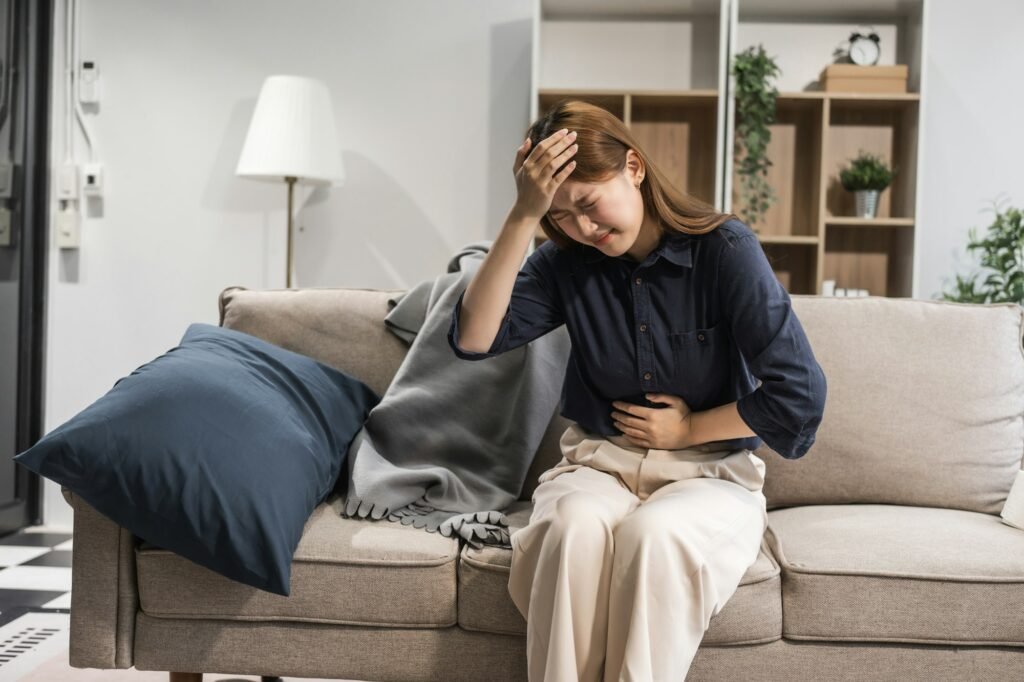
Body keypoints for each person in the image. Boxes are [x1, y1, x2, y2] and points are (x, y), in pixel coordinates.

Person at [447, 100, 827, 682]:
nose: (582, 229)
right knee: (571, 529)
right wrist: (524, 216)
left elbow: (798, 397)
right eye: (560, 216)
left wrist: (690, 429)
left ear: (635, 168)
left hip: (709, 476)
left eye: (588, 205)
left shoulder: (724, 251)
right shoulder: (564, 262)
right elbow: (475, 339)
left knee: (654, 537)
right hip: (599, 466)